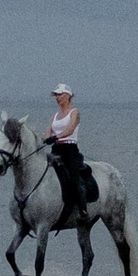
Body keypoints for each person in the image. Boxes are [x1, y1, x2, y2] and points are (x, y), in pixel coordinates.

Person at [43, 85, 95, 221]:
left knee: (74, 176)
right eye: (56, 95)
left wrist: (57, 137)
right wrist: (47, 137)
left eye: (59, 95)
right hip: (56, 149)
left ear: (68, 96)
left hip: (70, 150)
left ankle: (83, 211)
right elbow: (48, 130)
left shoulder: (74, 113)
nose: (57, 98)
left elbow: (70, 129)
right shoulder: (54, 116)